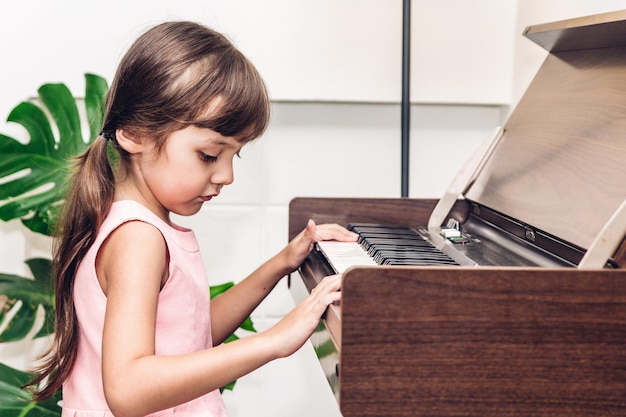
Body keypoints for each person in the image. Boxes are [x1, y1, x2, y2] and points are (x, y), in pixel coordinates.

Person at [26, 21, 357, 417]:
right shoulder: (138, 239)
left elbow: (189, 335)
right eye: (209, 155)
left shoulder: (132, 223)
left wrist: (281, 263)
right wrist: (273, 341)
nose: (227, 176)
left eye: (236, 155)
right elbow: (128, 390)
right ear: (134, 134)